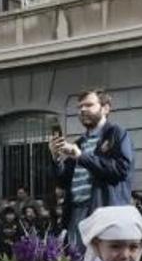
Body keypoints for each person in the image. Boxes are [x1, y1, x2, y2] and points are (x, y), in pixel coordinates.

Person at [50, 90, 135, 248]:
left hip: (102, 213)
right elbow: (62, 181)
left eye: (89, 105)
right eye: (80, 107)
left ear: (105, 108)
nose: (82, 110)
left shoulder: (117, 134)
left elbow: (121, 170)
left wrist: (81, 156)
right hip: (75, 213)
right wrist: (56, 158)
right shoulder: (80, 142)